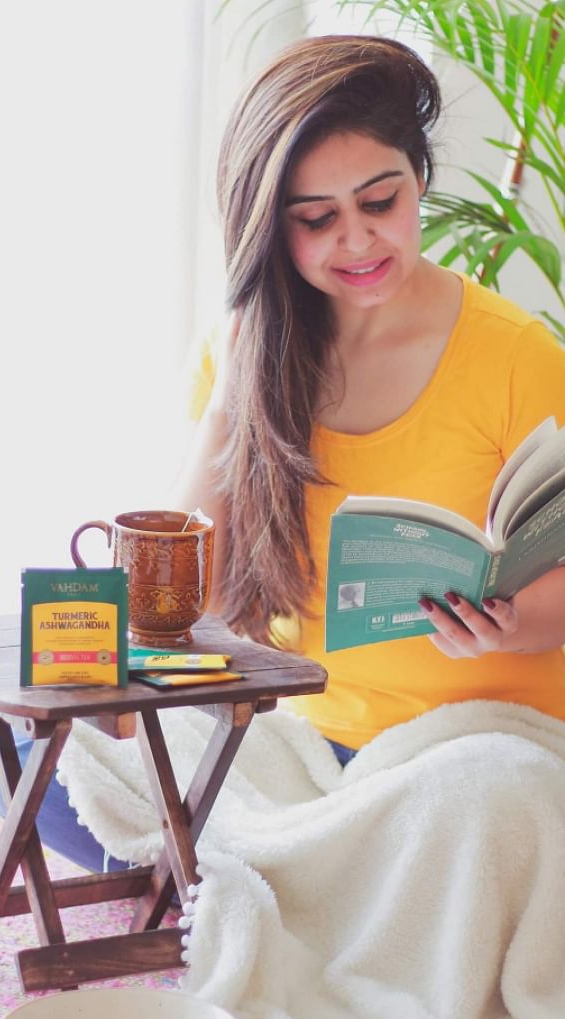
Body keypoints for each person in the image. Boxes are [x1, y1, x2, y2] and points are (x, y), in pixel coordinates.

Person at [182, 32, 565, 764]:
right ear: (270, 227)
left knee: (479, 796)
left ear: (418, 181)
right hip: (296, 734)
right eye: (317, 219)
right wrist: (230, 398)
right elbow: (185, 601)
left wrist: (508, 623)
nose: (358, 241)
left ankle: (300, 868)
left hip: (478, 742)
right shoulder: (241, 349)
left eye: (380, 201)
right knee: (41, 753)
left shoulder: (518, 356)